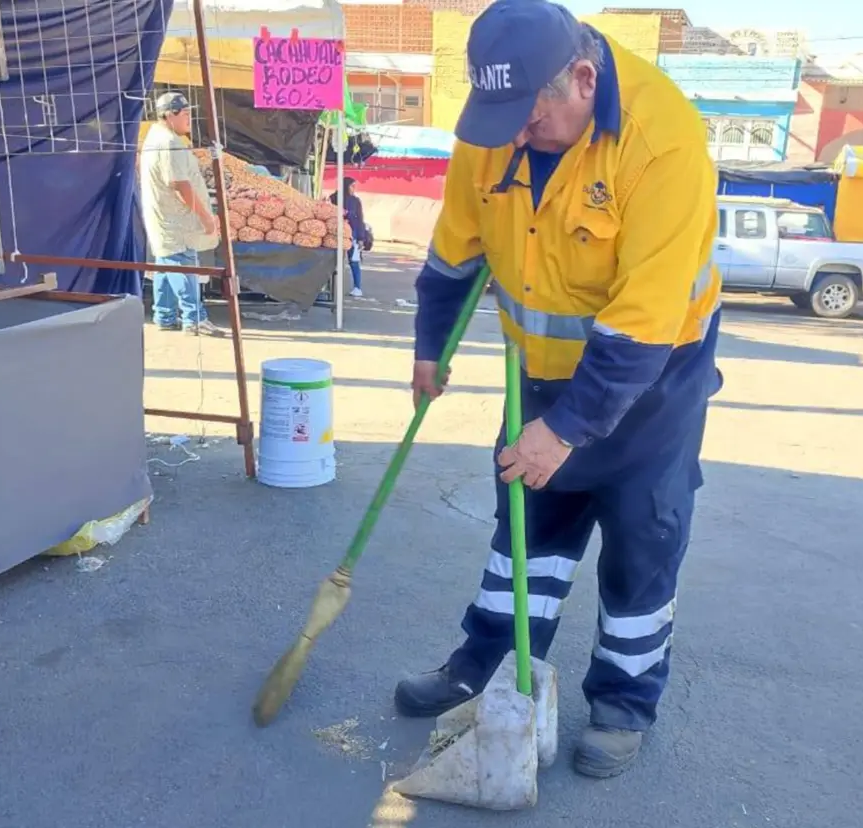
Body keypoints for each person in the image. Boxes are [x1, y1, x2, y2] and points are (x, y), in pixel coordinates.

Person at [397, 0, 724, 779]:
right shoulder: (496, 125)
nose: (513, 137)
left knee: (641, 540)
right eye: (500, 119)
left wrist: (566, 430)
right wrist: (430, 347)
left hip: (652, 383)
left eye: (529, 118)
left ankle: (622, 702)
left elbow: (643, 321)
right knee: (525, 532)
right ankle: (487, 671)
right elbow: (454, 252)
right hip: (537, 374)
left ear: (582, 79)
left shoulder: (661, 141)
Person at [140, 91, 223, 335]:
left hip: (163, 217)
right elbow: (179, 186)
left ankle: (164, 316)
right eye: (185, 114)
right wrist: (206, 218)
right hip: (175, 220)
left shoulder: (155, 136)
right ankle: (194, 319)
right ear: (169, 115)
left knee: (165, 262)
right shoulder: (169, 143)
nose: (189, 119)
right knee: (181, 263)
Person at [330, 178, 369, 297]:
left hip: (353, 235)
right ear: (345, 186)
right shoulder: (334, 198)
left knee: (354, 261)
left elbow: (360, 219)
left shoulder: (356, 201)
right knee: (331, 261)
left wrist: (361, 238)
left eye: (354, 186)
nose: (353, 189)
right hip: (335, 234)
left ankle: (357, 287)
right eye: (352, 186)